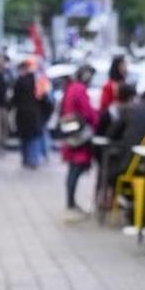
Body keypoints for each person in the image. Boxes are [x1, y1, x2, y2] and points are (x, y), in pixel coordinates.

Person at [60, 65, 98, 220]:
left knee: (72, 170)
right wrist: (97, 119)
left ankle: (70, 202)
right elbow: (87, 112)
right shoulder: (79, 89)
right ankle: (70, 204)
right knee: (75, 170)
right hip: (79, 136)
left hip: (72, 132)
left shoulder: (71, 88)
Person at [12, 57, 51, 169]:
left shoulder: (19, 81)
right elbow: (44, 99)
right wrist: (46, 113)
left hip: (22, 114)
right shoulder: (37, 83)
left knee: (24, 138)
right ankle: (33, 160)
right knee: (33, 138)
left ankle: (25, 159)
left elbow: (15, 99)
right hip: (34, 114)